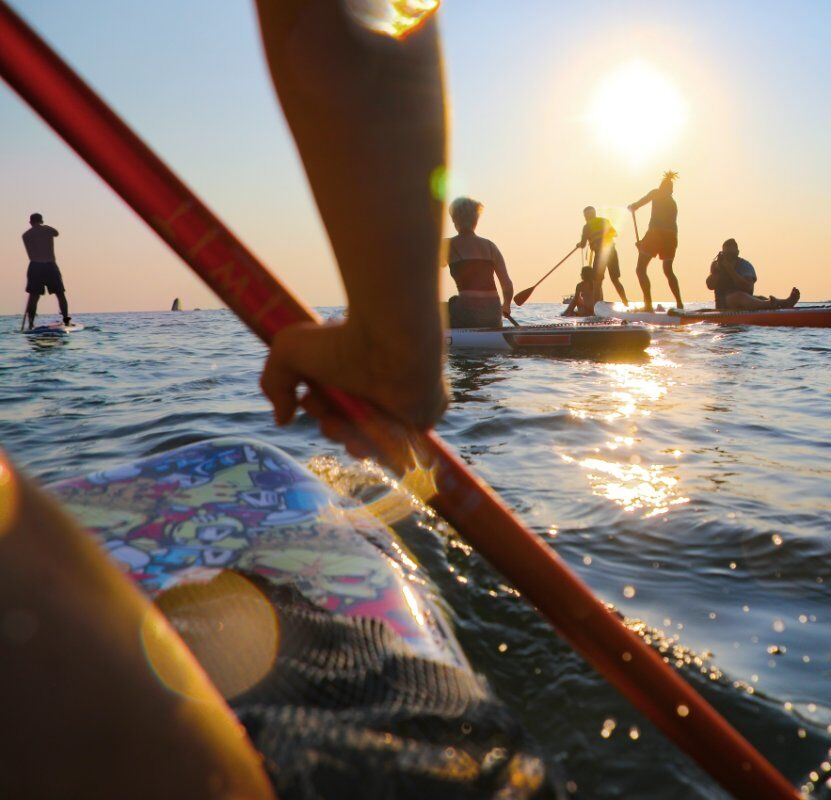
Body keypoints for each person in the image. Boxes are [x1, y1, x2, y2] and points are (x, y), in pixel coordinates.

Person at [2, 3, 557, 798]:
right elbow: (350, 22)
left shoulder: (34, 239)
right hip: (453, 342)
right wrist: (399, 342)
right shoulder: (484, 243)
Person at [443, 197, 513, 328]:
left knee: (441, 306)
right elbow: (507, 284)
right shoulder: (491, 246)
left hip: (466, 314)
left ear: (454, 220)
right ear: (476, 220)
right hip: (493, 315)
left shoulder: (447, 245)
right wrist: (507, 305)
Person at [628, 171, 682, 311]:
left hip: (656, 234)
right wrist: (643, 245)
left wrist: (632, 207)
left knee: (640, 269)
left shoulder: (656, 193)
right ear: (670, 190)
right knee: (668, 270)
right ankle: (680, 304)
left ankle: (648, 305)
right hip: (671, 236)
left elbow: (638, 204)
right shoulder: (673, 203)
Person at [705, 238, 800, 310]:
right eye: (727, 254)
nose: (729, 257)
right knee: (740, 296)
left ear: (737, 253)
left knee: (759, 298)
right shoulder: (718, 265)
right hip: (724, 303)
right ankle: (769, 304)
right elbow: (710, 285)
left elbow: (748, 288)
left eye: (732, 254)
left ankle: (786, 302)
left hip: (745, 299)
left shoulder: (745, 265)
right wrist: (718, 271)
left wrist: (731, 270)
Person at [21, 212, 70, 330]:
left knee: (34, 296)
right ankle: (66, 319)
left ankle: (31, 323)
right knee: (60, 293)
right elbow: (56, 233)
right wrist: (44, 225)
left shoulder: (26, 235)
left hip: (35, 266)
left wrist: (39, 226)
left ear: (30, 222)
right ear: (41, 221)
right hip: (49, 265)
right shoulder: (47, 230)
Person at [578, 206, 627, 305]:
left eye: (585, 215)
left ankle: (597, 305)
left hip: (601, 254)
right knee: (615, 279)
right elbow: (614, 233)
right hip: (612, 252)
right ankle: (625, 302)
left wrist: (579, 244)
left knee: (597, 281)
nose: (585, 217)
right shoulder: (604, 221)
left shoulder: (587, 226)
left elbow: (583, 244)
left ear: (587, 216)